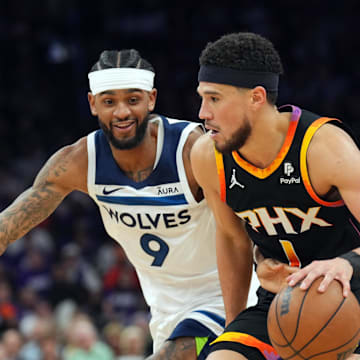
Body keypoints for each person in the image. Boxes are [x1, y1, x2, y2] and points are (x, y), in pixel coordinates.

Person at [0, 48, 255, 360]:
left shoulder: (193, 150)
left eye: (132, 100)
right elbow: (9, 226)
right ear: (93, 104)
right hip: (165, 311)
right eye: (109, 101)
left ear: (151, 99)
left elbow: (243, 224)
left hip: (228, 297)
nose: (121, 112)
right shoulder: (80, 162)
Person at [191, 32, 360, 360]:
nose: (202, 113)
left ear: (255, 97)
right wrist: (232, 324)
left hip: (349, 294)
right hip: (279, 300)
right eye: (202, 98)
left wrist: (346, 263)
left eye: (214, 99)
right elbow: (231, 239)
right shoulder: (207, 156)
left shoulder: (324, 149)